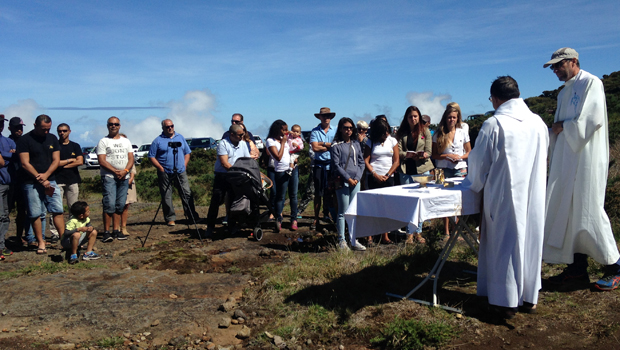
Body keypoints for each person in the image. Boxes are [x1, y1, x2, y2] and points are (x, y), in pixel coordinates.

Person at [465, 76, 548, 319]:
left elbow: (478, 163)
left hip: (504, 197)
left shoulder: (494, 124)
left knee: (504, 244)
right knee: (529, 241)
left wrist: (474, 183)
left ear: (496, 98)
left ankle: (504, 301)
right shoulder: (538, 122)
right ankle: (528, 297)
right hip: (533, 195)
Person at [542, 47, 620, 290]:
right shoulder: (564, 92)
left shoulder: (591, 83)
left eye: (558, 65)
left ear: (573, 61)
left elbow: (591, 120)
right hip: (567, 160)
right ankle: (577, 269)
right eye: (553, 67)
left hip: (586, 157)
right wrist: (557, 131)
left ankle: (616, 267)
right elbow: (560, 127)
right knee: (568, 211)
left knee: (589, 210)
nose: (555, 70)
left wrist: (562, 127)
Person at [16, 114, 65, 255]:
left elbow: (56, 160)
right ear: (35, 125)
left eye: (48, 129)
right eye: (43, 129)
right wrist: (41, 179)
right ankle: (40, 242)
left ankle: (63, 240)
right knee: (35, 212)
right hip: (31, 181)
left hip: (51, 179)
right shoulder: (25, 140)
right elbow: (25, 163)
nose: (46, 132)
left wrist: (47, 175)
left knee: (57, 209)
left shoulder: (52, 138)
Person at [148, 119, 199, 227]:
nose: (170, 128)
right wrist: (160, 168)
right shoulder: (157, 141)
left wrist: (184, 165)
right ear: (163, 128)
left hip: (180, 171)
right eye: (167, 127)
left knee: (186, 193)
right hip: (165, 171)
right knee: (166, 195)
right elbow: (151, 156)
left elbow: (187, 152)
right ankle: (170, 218)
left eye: (172, 126)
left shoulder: (180, 137)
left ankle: (191, 216)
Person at [432, 104, 471, 238]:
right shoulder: (438, 134)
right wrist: (447, 156)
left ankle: (457, 228)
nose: (452, 120)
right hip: (444, 169)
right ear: (445, 118)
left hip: (459, 168)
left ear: (458, 118)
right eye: (449, 117)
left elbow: (469, 152)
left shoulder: (463, 132)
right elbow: (434, 154)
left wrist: (460, 157)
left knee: (458, 198)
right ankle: (446, 230)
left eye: (454, 117)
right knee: (445, 198)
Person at [396, 106, 434, 244]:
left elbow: (429, 150)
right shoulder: (401, 132)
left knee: (420, 201)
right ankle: (409, 233)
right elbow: (398, 152)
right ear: (406, 118)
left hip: (422, 169)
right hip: (406, 169)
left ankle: (418, 232)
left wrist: (423, 155)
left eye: (415, 116)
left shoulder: (425, 131)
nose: (413, 119)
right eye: (411, 116)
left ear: (419, 117)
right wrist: (408, 155)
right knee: (408, 202)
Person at [206, 124, 250, 236]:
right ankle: (210, 227)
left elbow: (246, 160)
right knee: (216, 200)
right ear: (232, 134)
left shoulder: (243, 144)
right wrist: (237, 171)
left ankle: (232, 226)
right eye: (240, 135)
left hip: (237, 176)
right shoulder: (223, 144)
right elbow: (224, 163)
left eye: (243, 134)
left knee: (233, 202)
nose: (242, 137)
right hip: (223, 175)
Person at [331, 118, 366, 251]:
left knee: (353, 212)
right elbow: (336, 165)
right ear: (340, 128)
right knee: (343, 211)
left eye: (351, 127)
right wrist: (348, 178)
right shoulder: (336, 145)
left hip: (355, 181)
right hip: (342, 182)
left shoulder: (356, 144)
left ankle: (353, 239)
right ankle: (342, 240)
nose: (348, 130)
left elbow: (361, 162)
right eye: (346, 127)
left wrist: (357, 178)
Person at [96, 116, 133, 242]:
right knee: (109, 204)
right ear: (107, 125)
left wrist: (125, 171)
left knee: (120, 204)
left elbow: (131, 158)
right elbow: (102, 160)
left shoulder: (126, 141)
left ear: (119, 126)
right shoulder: (103, 141)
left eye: (116, 124)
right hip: (109, 176)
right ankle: (106, 232)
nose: (113, 126)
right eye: (111, 124)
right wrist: (115, 171)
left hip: (124, 176)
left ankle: (116, 230)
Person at [364, 117, 399, 244]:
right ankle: (370, 236)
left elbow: (396, 161)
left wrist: (387, 175)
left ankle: (385, 235)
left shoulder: (392, 141)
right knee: (373, 206)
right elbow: (366, 160)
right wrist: (374, 174)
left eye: (387, 131)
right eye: (384, 132)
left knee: (386, 207)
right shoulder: (370, 142)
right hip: (373, 177)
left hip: (388, 178)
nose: (386, 135)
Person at [50, 123, 83, 238]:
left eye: (64, 131)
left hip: (72, 180)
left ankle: (71, 229)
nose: (62, 133)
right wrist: (69, 161)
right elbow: (54, 163)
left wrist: (61, 164)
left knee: (73, 207)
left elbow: (80, 161)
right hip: (57, 180)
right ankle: (55, 232)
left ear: (69, 131)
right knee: (56, 207)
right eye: (59, 131)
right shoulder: (54, 145)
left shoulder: (75, 146)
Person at [266, 120, 298, 232]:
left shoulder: (286, 138)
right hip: (281, 170)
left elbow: (295, 148)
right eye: (283, 129)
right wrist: (283, 143)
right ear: (277, 129)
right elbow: (278, 157)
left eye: (286, 129)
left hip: (292, 168)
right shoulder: (270, 141)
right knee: (281, 196)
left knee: (294, 195)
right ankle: (278, 219)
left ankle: (294, 219)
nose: (286, 132)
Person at [310, 107, 337, 230]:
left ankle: (330, 216)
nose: (326, 118)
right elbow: (315, 148)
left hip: (331, 165)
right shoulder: (315, 131)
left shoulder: (336, 130)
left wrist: (322, 144)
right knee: (318, 193)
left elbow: (336, 147)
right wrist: (328, 146)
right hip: (319, 165)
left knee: (331, 193)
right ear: (320, 117)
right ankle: (316, 218)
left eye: (328, 116)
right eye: (324, 116)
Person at [0, 115, 15, 260]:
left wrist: (4, 157)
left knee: (5, 216)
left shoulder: (8, 141)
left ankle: (1, 244)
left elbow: (15, 154)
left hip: (7, 182)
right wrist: (8, 155)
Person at [120, 134, 137, 236]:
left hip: (128, 181)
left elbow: (133, 167)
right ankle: (116, 227)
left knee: (126, 205)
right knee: (116, 206)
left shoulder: (129, 153)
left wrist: (131, 178)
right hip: (117, 180)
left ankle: (123, 227)